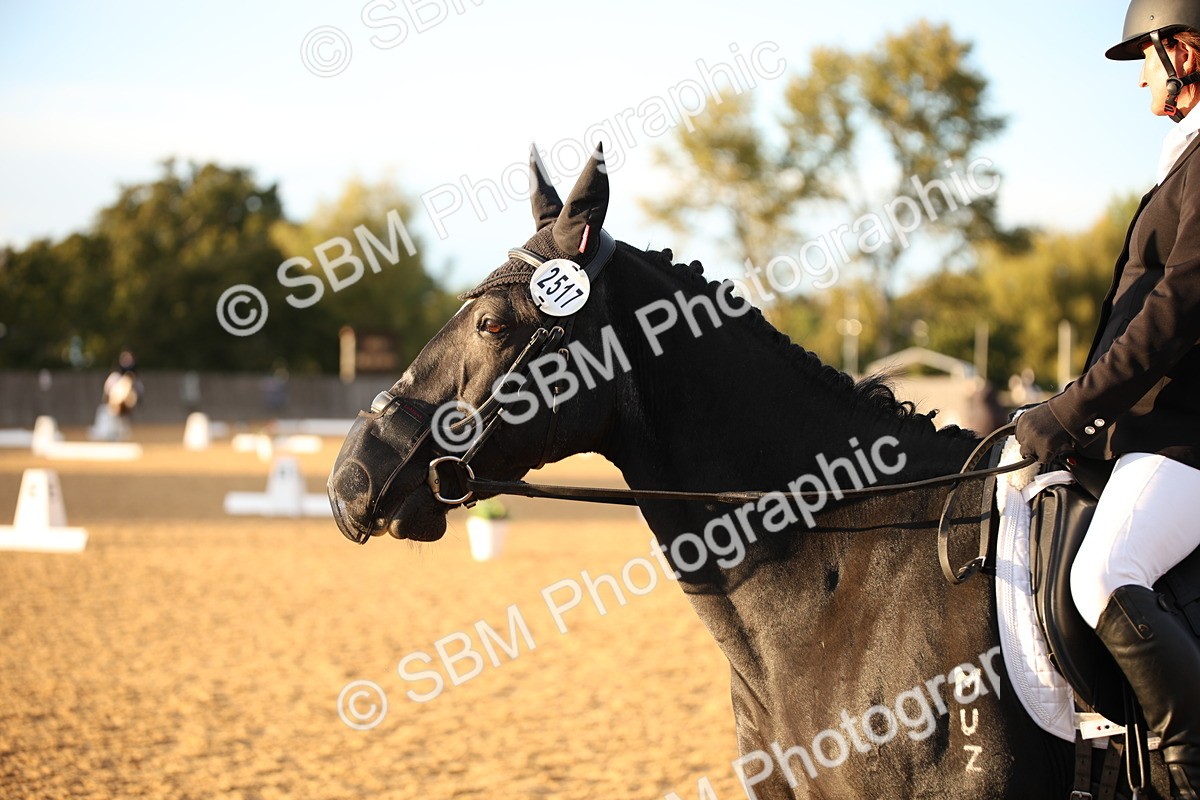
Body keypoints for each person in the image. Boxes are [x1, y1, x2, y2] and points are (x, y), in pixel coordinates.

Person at [1015, 3, 1200, 796]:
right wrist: (1078, 412)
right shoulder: (1183, 160)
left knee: (1105, 572)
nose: (1141, 78)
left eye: (1147, 58)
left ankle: (1192, 766)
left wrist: (1070, 413)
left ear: (1185, 48)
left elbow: (1176, 311)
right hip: (1147, 434)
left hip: (1188, 440)